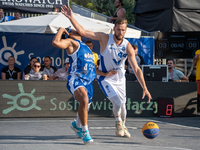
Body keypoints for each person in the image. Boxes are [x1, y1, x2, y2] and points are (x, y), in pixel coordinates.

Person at [61, 5, 152, 139]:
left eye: (123, 30)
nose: (120, 32)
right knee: (117, 103)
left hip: (120, 79)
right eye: (119, 29)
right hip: (106, 78)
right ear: (114, 29)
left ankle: (122, 124)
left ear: (125, 31)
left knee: (123, 108)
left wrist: (144, 87)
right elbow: (83, 31)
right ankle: (118, 123)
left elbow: (136, 68)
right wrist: (71, 17)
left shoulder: (127, 46)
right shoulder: (104, 38)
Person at [52, 26, 97, 144]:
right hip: (76, 78)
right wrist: (61, 29)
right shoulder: (72, 42)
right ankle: (85, 132)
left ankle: (76, 125)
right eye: (72, 28)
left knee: (85, 106)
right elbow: (56, 42)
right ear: (70, 33)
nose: (77, 28)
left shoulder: (87, 46)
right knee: (84, 99)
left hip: (89, 81)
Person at [193, 49, 200, 115]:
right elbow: (194, 64)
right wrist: (196, 58)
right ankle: (198, 109)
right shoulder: (197, 52)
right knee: (198, 94)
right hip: (198, 77)